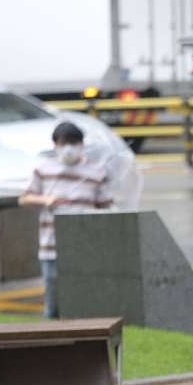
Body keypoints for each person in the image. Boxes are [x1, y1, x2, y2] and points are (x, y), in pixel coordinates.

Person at [19, 121, 113, 318]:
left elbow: (106, 208)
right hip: (51, 245)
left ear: (81, 144)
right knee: (53, 302)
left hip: (86, 246)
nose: (69, 148)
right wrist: (46, 200)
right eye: (64, 143)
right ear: (55, 145)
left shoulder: (97, 171)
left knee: (86, 300)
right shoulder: (43, 169)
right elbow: (24, 198)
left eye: (74, 143)